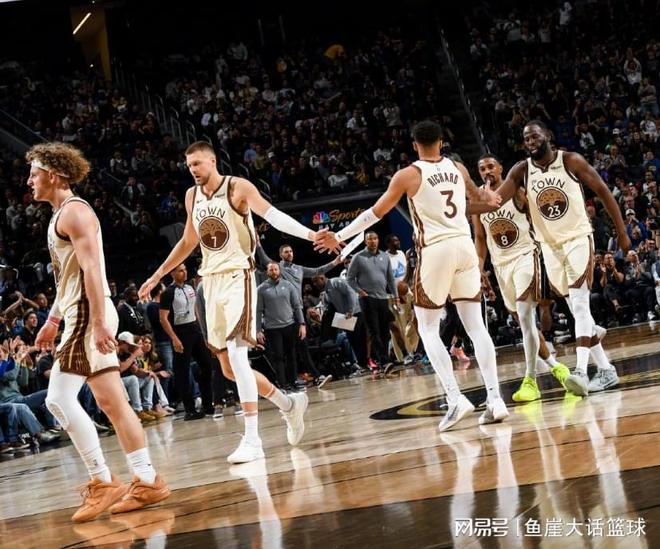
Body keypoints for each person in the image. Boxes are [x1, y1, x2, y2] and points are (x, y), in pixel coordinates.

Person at [314, 120, 508, 430]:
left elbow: (375, 213)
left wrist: (338, 236)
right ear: (442, 142)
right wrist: (492, 198)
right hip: (465, 246)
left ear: (415, 145)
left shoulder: (409, 174)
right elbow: (478, 199)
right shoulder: (458, 168)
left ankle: (455, 398)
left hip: (437, 249)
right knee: (475, 325)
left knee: (427, 327)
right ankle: (495, 399)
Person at [139, 141, 314, 463]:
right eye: (188, 165)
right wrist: (157, 274)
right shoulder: (192, 196)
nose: (192, 170)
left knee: (237, 353)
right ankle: (289, 405)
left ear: (212, 161)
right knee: (230, 369)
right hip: (210, 282)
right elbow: (188, 241)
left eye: (197, 163)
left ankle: (253, 439)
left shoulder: (237, 187)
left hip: (238, 276)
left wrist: (311, 235)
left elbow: (273, 215)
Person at [28, 142, 169, 523]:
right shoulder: (61, 214)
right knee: (113, 403)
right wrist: (52, 321)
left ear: (52, 175)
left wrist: (100, 321)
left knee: (58, 399)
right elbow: (68, 278)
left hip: (88, 312)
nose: (29, 181)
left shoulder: (74, 212)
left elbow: (92, 269)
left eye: (34, 174)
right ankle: (147, 479)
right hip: (82, 310)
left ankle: (102, 480)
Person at [471, 121, 631, 395]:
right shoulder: (522, 170)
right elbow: (493, 203)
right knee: (577, 311)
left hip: (577, 238)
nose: (531, 142)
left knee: (579, 304)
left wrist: (622, 233)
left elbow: (603, 192)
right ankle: (606, 369)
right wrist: (452, 210)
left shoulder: (570, 160)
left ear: (547, 136)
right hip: (549, 247)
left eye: (535, 136)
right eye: (526, 139)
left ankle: (580, 371)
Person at [473, 154, 578, 401]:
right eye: (482, 169)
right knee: (524, 323)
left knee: (524, 314)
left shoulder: (516, 191)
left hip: (526, 255)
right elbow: (480, 237)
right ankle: (557, 368)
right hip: (501, 265)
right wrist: (479, 268)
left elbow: (539, 219)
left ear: (500, 168)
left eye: (491, 166)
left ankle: (530, 379)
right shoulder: (477, 199)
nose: (487, 171)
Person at [159, 263, 214, 420]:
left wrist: (202, 329)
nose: (184, 272)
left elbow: (196, 309)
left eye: (185, 269)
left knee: (207, 365)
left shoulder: (190, 288)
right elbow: (163, 318)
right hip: (180, 332)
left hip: (195, 329)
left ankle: (208, 403)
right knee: (182, 372)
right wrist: (174, 338)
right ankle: (190, 409)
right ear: (172, 273)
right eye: (180, 271)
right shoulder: (168, 293)